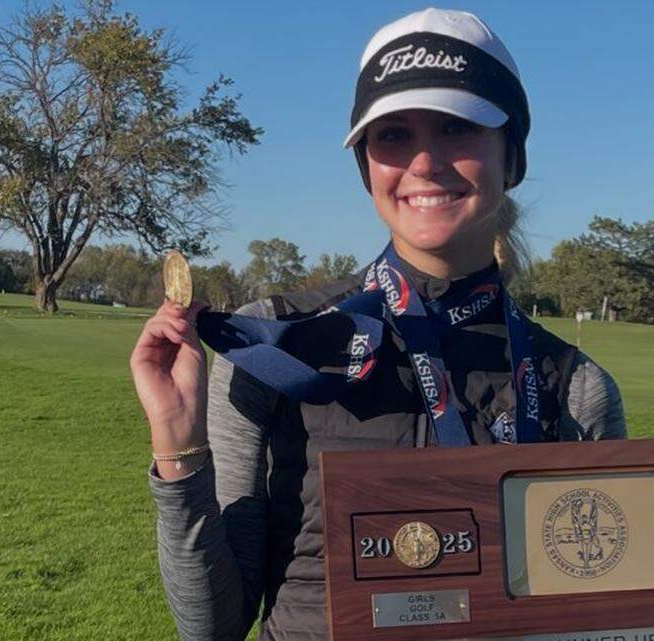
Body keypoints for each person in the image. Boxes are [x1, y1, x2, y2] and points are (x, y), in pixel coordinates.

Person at [130, 8, 626, 641]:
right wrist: (177, 443)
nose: (423, 162)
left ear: (513, 156)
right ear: (366, 165)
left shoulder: (574, 386)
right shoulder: (271, 342)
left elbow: (591, 616)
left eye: (456, 127)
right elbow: (212, 626)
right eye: (392, 136)